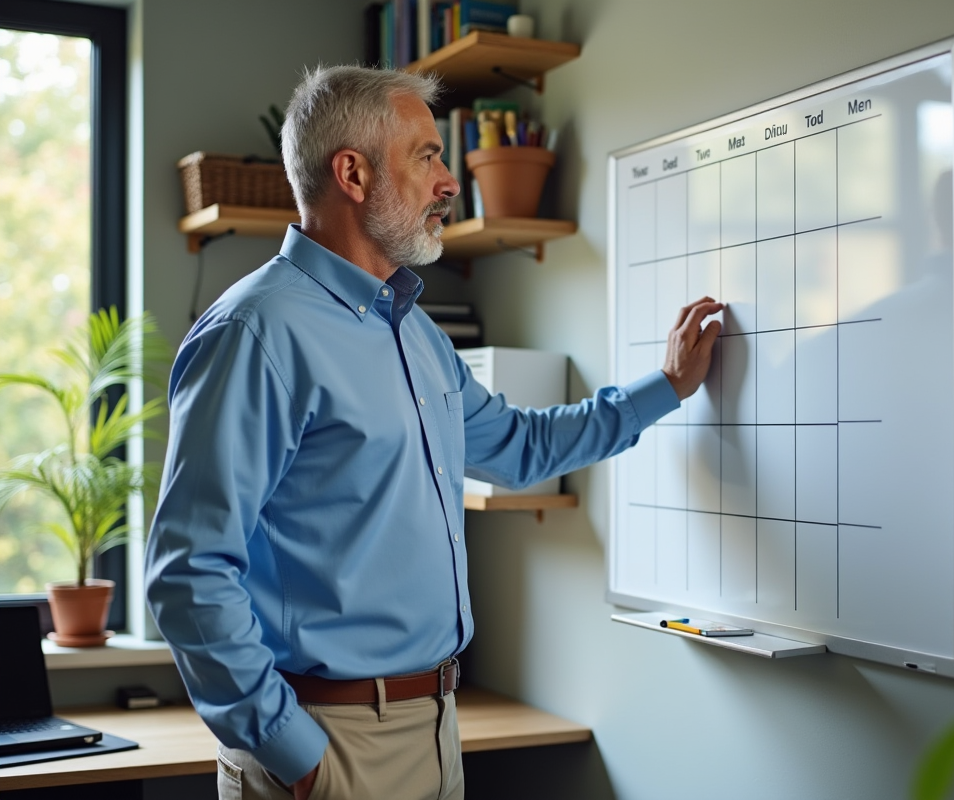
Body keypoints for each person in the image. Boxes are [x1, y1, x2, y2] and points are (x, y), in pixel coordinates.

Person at [144, 64, 722, 800]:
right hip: (330, 744)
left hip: (436, 729)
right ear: (352, 174)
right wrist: (297, 753)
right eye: (427, 156)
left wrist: (666, 389)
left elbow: (519, 447)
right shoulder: (255, 333)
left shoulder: (414, 331)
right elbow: (189, 570)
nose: (450, 181)